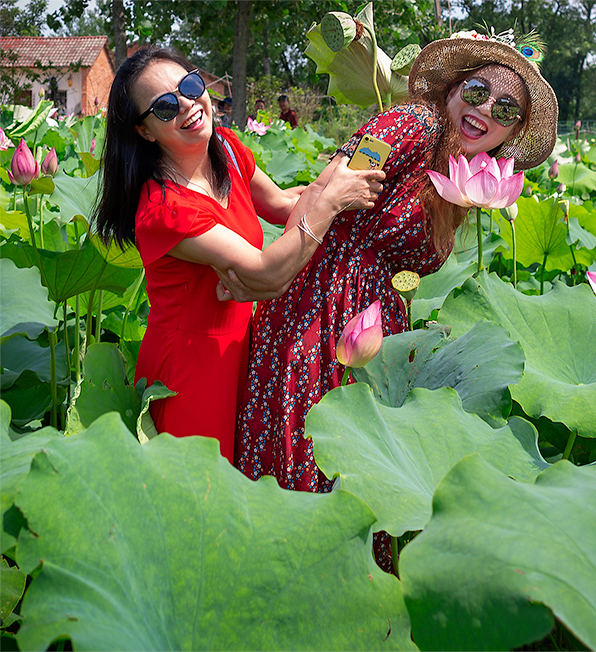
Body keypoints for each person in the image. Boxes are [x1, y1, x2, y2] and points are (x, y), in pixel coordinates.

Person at [224, 29, 557, 570]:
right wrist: (275, 267)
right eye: (476, 92)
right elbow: (335, 180)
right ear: (451, 88)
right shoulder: (412, 123)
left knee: (360, 463)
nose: (484, 111)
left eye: (505, 108)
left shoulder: (460, 172)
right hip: (323, 300)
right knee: (308, 450)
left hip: (374, 316)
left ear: (513, 129)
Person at [93, 48, 385, 462]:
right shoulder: (165, 211)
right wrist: (332, 202)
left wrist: (340, 172)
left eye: (191, 86)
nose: (189, 106)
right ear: (144, 132)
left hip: (246, 346)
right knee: (203, 492)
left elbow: (284, 205)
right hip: (192, 368)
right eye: (164, 106)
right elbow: (268, 273)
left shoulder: (225, 149)